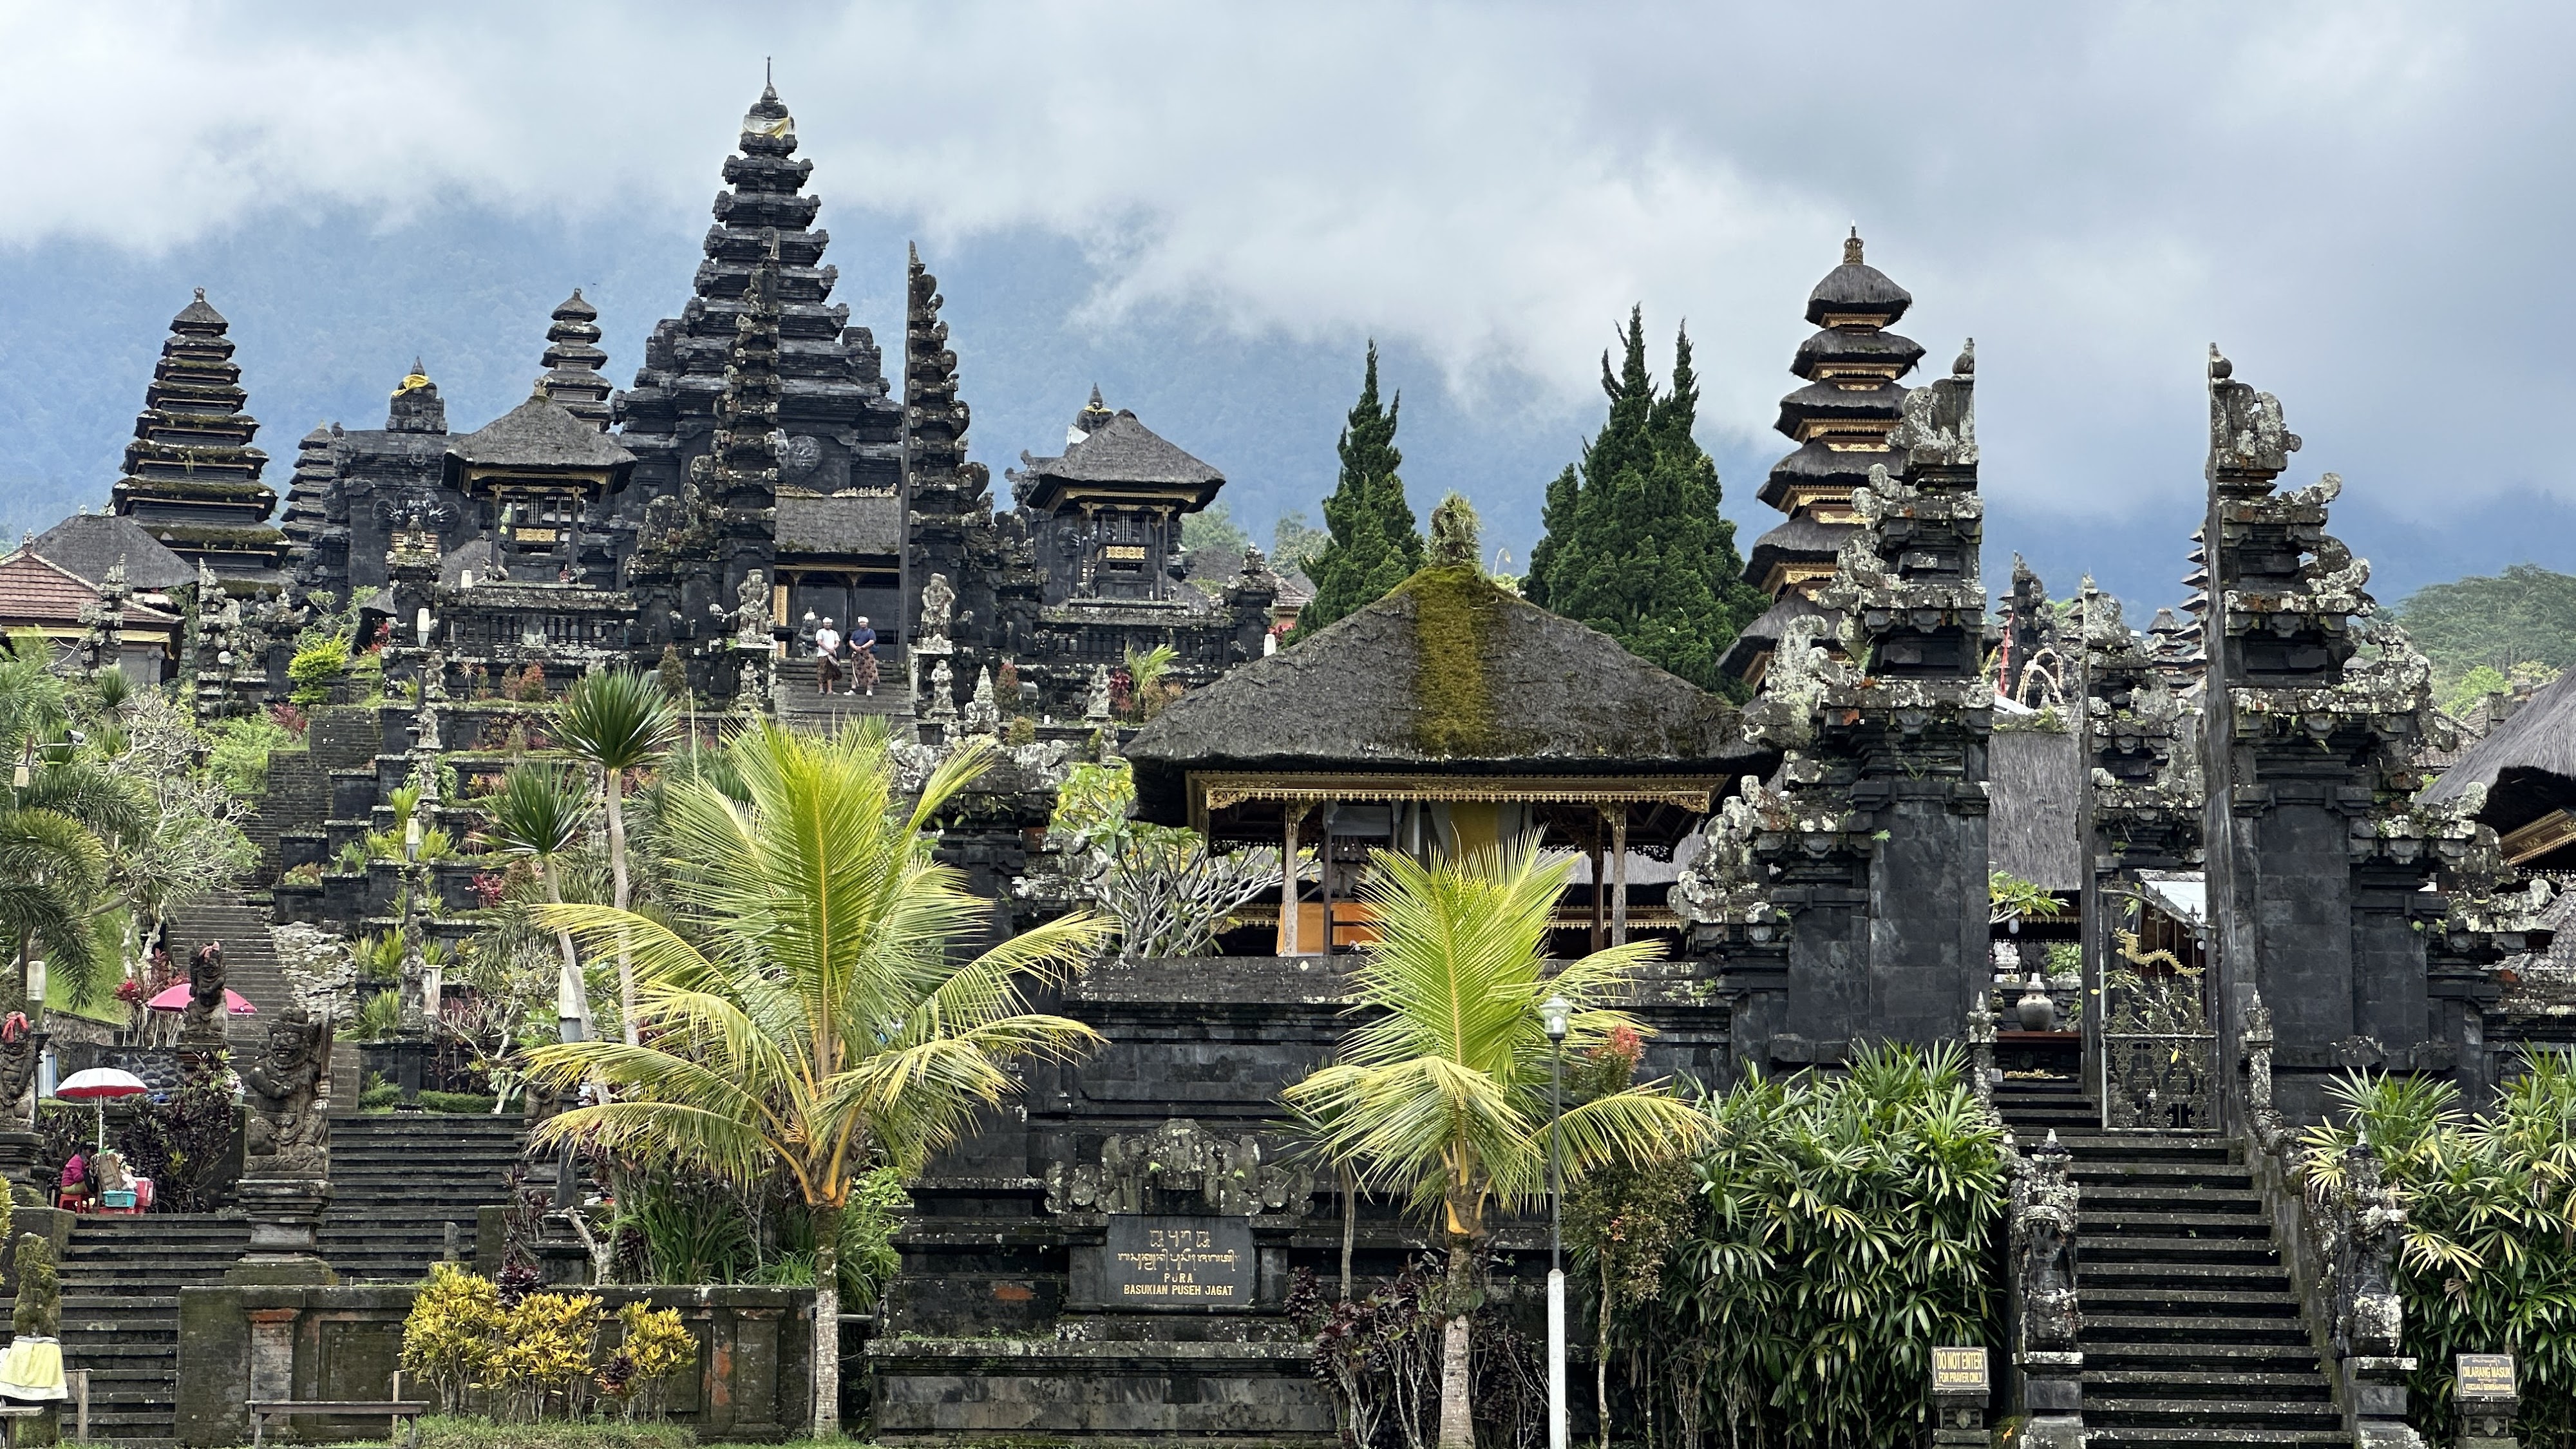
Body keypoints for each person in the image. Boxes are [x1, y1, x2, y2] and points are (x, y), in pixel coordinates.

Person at [849, 616, 880, 697]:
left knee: (870, 671)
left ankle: (869, 689)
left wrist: (863, 647)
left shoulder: (870, 632)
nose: (863, 624)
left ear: (867, 623)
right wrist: (855, 648)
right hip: (857, 653)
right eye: (861, 622)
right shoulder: (855, 633)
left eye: (864, 622)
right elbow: (851, 641)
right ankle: (853, 689)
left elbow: (872, 641)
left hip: (867, 653)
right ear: (859, 623)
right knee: (855, 671)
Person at [813, 616, 843, 696]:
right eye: (826, 623)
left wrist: (833, 648)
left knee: (830, 672)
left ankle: (830, 690)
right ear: (823, 624)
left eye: (829, 623)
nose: (828, 625)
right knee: (821, 671)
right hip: (823, 654)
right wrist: (827, 649)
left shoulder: (834, 633)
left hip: (832, 654)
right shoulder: (820, 632)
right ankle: (821, 688)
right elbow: (819, 642)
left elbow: (837, 642)